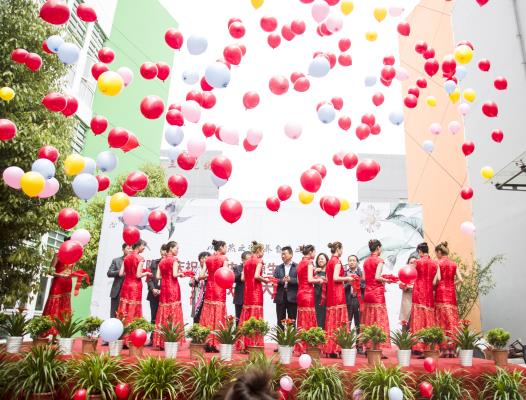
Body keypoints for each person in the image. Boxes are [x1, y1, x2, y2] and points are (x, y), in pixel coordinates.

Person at [324, 242, 354, 357]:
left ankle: (330, 348)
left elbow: (328, 279)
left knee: (332, 320)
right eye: (342, 249)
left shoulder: (329, 262)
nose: (342, 251)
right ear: (338, 249)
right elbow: (336, 277)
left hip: (331, 293)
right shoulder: (336, 261)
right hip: (338, 293)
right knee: (338, 320)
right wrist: (347, 278)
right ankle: (337, 348)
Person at [153, 241, 185, 349]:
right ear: (171, 248)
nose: (177, 250)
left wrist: (166, 276)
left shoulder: (162, 261)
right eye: (176, 248)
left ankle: (161, 341)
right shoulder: (174, 260)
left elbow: (157, 276)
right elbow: (175, 275)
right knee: (173, 311)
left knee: (164, 311)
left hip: (164, 288)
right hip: (173, 288)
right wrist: (181, 274)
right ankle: (172, 340)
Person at [199, 240, 229, 351]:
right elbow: (225, 274)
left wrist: (210, 276)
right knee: (218, 315)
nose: (226, 249)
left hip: (210, 289)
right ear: (221, 247)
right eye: (225, 247)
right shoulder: (224, 259)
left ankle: (207, 341)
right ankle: (215, 342)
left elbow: (201, 275)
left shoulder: (208, 259)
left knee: (208, 314)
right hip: (219, 289)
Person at [238, 242, 269, 349]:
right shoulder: (259, 261)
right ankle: (254, 343)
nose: (263, 253)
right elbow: (256, 276)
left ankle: (244, 343)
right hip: (256, 291)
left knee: (247, 316)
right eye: (263, 251)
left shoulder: (246, 262)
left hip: (247, 291)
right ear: (258, 250)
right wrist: (265, 280)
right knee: (255, 315)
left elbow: (242, 278)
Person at [434, 242, 462, 357]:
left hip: (441, 292)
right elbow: (461, 280)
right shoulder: (454, 264)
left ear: (439, 252)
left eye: (436, 253)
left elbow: (438, 278)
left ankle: (443, 348)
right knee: (451, 319)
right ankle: (452, 349)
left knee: (441, 320)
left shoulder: (438, 263)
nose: (436, 255)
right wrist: (452, 284)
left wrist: (433, 285)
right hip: (451, 294)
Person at [117, 239, 152, 331]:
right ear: (138, 246)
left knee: (124, 307)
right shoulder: (140, 259)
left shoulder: (126, 257)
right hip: (135, 286)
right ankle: (132, 332)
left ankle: (121, 331)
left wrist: (130, 273)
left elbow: (120, 273)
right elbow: (138, 275)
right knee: (133, 308)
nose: (144, 248)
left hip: (126, 285)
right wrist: (147, 273)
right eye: (143, 246)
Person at [362, 239, 391, 348]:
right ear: (378, 247)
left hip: (368, 292)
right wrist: (386, 280)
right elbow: (377, 277)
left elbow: (363, 278)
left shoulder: (366, 261)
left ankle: (368, 346)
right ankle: (377, 347)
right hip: (377, 293)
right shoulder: (379, 261)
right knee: (378, 319)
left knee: (369, 318)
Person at [410, 242, 438, 352]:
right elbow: (437, 279)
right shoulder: (434, 263)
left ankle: (418, 346)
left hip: (418, 291)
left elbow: (410, 274)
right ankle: (430, 346)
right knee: (428, 317)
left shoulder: (417, 262)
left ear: (420, 251)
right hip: (429, 292)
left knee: (418, 316)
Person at [296, 245, 324, 353]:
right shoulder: (309, 263)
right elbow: (310, 279)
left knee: (302, 318)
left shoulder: (300, 263)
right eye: (314, 252)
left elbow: (300, 280)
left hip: (300, 292)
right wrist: (319, 280)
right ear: (311, 252)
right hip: (307, 293)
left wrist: (314, 273)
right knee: (308, 318)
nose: (315, 254)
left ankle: (301, 346)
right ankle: (308, 346)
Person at [43, 237, 75, 323]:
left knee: (65, 304)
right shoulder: (57, 255)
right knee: (54, 301)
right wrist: (61, 275)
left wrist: (76, 275)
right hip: (58, 282)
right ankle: (49, 326)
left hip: (68, 283)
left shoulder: (73, 258)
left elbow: (71, 272)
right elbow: (50, 271)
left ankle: (62, 327)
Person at [273, 246, 298, 330]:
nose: (282, 256)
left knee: (292, 321)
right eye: (282, 254)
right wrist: (282, 280)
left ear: (291, 255)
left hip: (292, 297)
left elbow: (301, 281)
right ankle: (280, 338)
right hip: (280, 296)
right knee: (280, 321)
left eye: (284, 254)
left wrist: (291, 280)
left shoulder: (297, 267)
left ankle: (292, 338)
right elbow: (274, 280)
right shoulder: (278, 267)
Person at [107, 244, 132, 318]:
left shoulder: (135, 260)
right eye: (128, 248)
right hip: (117, 291)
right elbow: (109, 273)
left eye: (131, 248)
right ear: (123, 250)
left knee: (127, 314)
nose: (130, 250)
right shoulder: (116, 260)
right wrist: (120, 272)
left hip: (129, 291)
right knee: (114, 314)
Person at [147, 244, 167, 329]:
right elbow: (149, 278)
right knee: (154, 317)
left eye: (165, 250)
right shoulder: (154, 262)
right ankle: (153, 335)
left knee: (165, 318)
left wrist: (163, 291)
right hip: (154, 293)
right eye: (161, 250)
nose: (163, 252)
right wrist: (152, 289)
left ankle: (163, 336)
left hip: (165, 294)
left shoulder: (172, 263)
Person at [345, 255, 363, 333]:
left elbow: (364, 286)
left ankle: (359, 340)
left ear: (357, 262)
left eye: (353, 260)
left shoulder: (361, 273)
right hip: (348, 300)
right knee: (347, 322)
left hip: (358, 300)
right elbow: (341, 287)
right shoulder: (345, 273)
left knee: (359, 323)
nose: (351, 262)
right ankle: (346, 340)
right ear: (348, 262)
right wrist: (349, 283)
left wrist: (358, 283)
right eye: (350, 260)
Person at [233, 251, 252, 326]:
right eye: (248, 259)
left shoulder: (253, 268)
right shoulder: (237, 268)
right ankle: (238, 333)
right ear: (243, 260)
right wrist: (243, 271)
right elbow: (234, 278)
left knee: (249, 320)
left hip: (250, 297)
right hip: (239, 298)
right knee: (238, 319)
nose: (250, 261)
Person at [190, 251, 209, 323]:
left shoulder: (211, 270)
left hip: (207, 295)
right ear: (199, 259)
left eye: (206, 258)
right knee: (196, 316)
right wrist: (196, 279)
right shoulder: (195, 270)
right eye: (202, 258)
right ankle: (196, 329)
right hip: (197, 295)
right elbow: (190, 283)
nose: (204, 260)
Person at [399, 256, 417, 332]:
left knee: (416, 321)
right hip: (407, 299)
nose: (412, 264)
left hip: (416, 300)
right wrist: (406, 286)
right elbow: (401, 285)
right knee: (405, 322)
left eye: (414, 262)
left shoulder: (419, 274)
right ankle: (404, 338)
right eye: (411, 262)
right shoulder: (404, 273)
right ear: (408, 263)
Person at [313, 253, 329, 329]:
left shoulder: (329, 271)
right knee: (317, 316)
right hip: (316, 296)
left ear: (326, 260)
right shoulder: (314, 270)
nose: (320, 260)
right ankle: (318, 333)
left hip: (327, 296)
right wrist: (314, 272)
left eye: (322, 259)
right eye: (319, 259)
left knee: (326, 316)